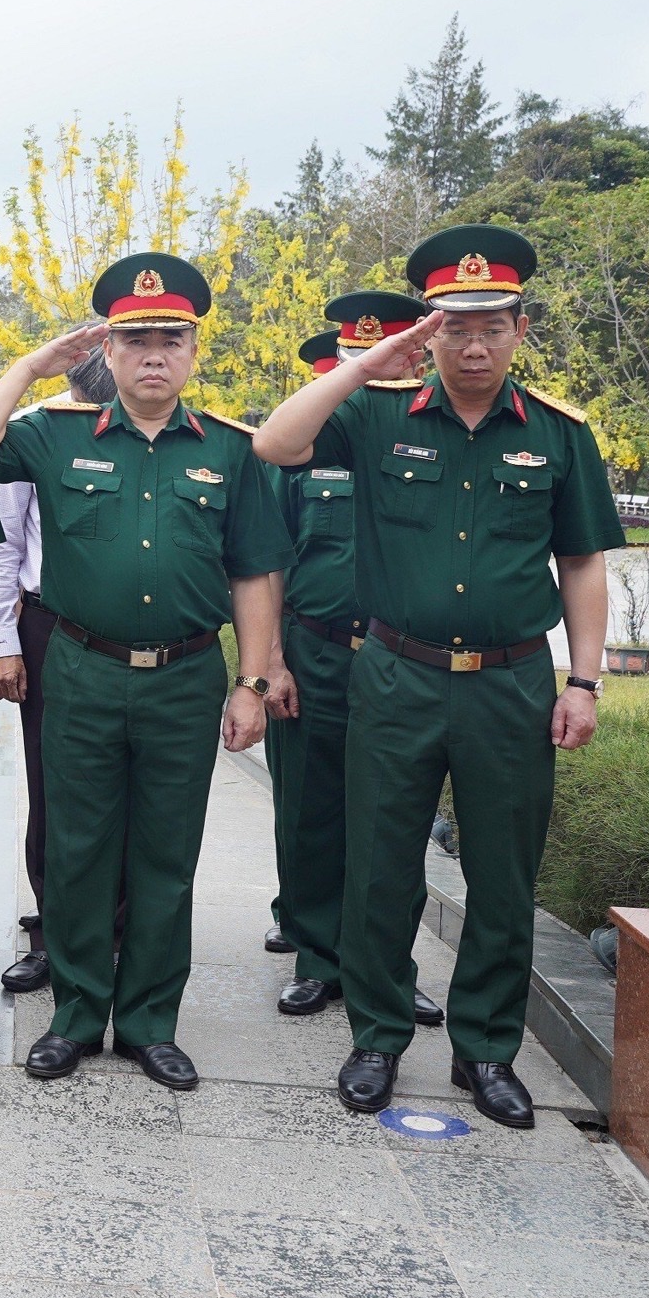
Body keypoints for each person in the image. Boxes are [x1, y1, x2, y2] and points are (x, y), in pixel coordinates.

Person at [253, 225, 615, 1129]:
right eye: (456, 327)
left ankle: (485, 1049)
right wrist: (367, 364)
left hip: (511, 682)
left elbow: (581, 563)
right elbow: (275, 442)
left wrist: (584, 681)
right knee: (381, 865)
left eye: (492, 325)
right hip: (397, 675)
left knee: (502, 874)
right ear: (431, 332)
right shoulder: (378, 415)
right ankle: (377, 1036)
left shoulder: (560, 434)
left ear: (521, 329)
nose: (474, 344)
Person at [0, 252, 288, 1089]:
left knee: (166, 857)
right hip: (83, 669)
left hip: (184, 674)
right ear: (109, 350)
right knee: (77, 848)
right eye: (136, 341)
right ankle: (74, 1015)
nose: (154, 356)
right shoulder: (55, 433)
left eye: (171, 340)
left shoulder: (232, 450)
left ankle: (147, 1022)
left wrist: (251, 681)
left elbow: (254, 574)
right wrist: (31, 366)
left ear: (194, 351)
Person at [263, 292, 446, 1031]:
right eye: (358, 360)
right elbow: (266, 559)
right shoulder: (312, 442)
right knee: (311, 811)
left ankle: (389, 970)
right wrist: (270, 660)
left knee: (394, 824)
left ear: (415, 359)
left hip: (406, 658)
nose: (376, 374)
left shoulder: (439, 437)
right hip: (317, 650)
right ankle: (318, 960)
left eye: (391, 359)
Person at [0, 344, 116, 996]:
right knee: (54, 784)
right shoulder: (36, 430)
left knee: (130, 791)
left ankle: (120, 934)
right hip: (51, 627)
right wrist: (2, 639)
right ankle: (53, 933)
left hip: (140, 637)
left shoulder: (172, 429)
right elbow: (1, 542)